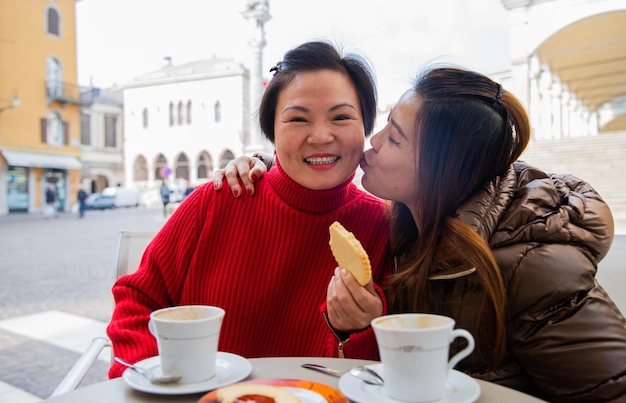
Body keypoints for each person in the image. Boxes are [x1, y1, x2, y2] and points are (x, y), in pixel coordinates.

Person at [214, 66, 626, 402]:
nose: (371, 142)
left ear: (438, 168)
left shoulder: (531, 262)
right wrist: (267, 163)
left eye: (393, 137)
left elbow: (610, 390)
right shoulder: (404, 229)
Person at [106, 41, 393, 379]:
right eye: (298, 119)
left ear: (365, 127)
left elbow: (386, 374)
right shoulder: (219, 199)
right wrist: (159, 383)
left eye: (341, 117)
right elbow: (137, 299)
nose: (320, 136)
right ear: (272, 132)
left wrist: (359, 329)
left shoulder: (386, 227)